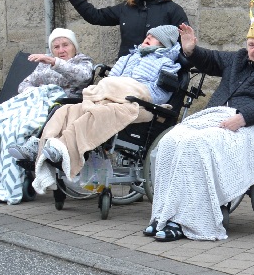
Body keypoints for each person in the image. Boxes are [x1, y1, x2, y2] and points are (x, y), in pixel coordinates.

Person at [145, 2, 254, 242]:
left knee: (195, 145)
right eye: (251, 45)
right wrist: (191, 49)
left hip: (251, 126)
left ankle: (187, 221)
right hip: (216, 118)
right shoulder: (238, 59)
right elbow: (211, 59)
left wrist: (243, 117)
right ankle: (164, 214)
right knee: (170, 141)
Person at [31, 25, 183, 194]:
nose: (147, 37)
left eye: (153, 37)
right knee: (66, 110)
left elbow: (159, 95)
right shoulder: (128, 58)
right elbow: (109, 81)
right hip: (109, 99)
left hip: (137, 105)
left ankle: (60, 147)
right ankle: (41, 149)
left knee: (98, 110)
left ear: (164, 43)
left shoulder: (167, 63)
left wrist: (130, 89)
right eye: (147, 35)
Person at [0, 28, 94, 204]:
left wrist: (54, 62)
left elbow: (83, 78)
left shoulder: (82, 61)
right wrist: (35, 93)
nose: (61, 50)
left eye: (65, 45)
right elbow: (24, 84)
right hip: (35, 103)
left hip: (60, 107)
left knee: (13, 129)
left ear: (74, 46)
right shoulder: (44, 63)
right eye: (56, 47)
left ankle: (10, 186)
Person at [58, 0, 188, 58]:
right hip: (126, 71)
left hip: (158, 73)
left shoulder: (173, 9)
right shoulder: (126, 9)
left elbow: (185, 43)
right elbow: (94, 16)